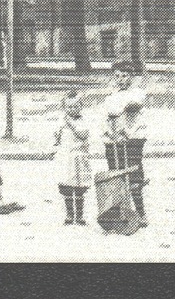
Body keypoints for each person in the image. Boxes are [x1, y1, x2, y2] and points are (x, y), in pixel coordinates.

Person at [103, 61, 148, 226]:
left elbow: (134, 106)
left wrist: (121, 111)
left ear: (132, 77)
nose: (120, 79)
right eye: (117, 76)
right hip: (114, 139)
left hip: (133, 138)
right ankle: (121, 213)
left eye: (124, 76)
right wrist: (109, 132)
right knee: (116, 174)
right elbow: (106, 118)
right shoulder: (111, 96)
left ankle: (141, 213)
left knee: (133, 175)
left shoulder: (137, 92)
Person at [54, 89, 93, 226]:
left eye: (76, 106)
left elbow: (83, 135)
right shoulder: (61, 121)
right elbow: (58, 139)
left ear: (81, 106)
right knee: (67, 186)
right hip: (66, 158)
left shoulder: (82, 121)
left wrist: (71, 126)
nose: (72, 109)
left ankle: (80, 215)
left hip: (78, 158)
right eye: (69, 106)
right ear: (64, 108)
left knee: (79, 187)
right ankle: (70, 214)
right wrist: (57, 136)